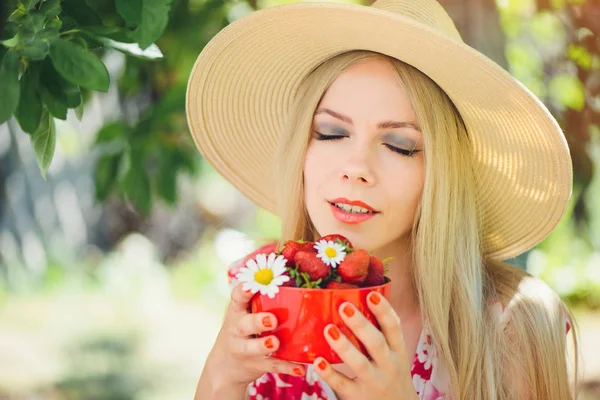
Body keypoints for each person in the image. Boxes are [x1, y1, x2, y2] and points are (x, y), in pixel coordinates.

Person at [185, 0, 579, 399]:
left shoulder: (514, 327)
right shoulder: (265, 291)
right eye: (331, 133)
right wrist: (222, 379)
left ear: (443, 174)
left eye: (399, 145)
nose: (356, 167)